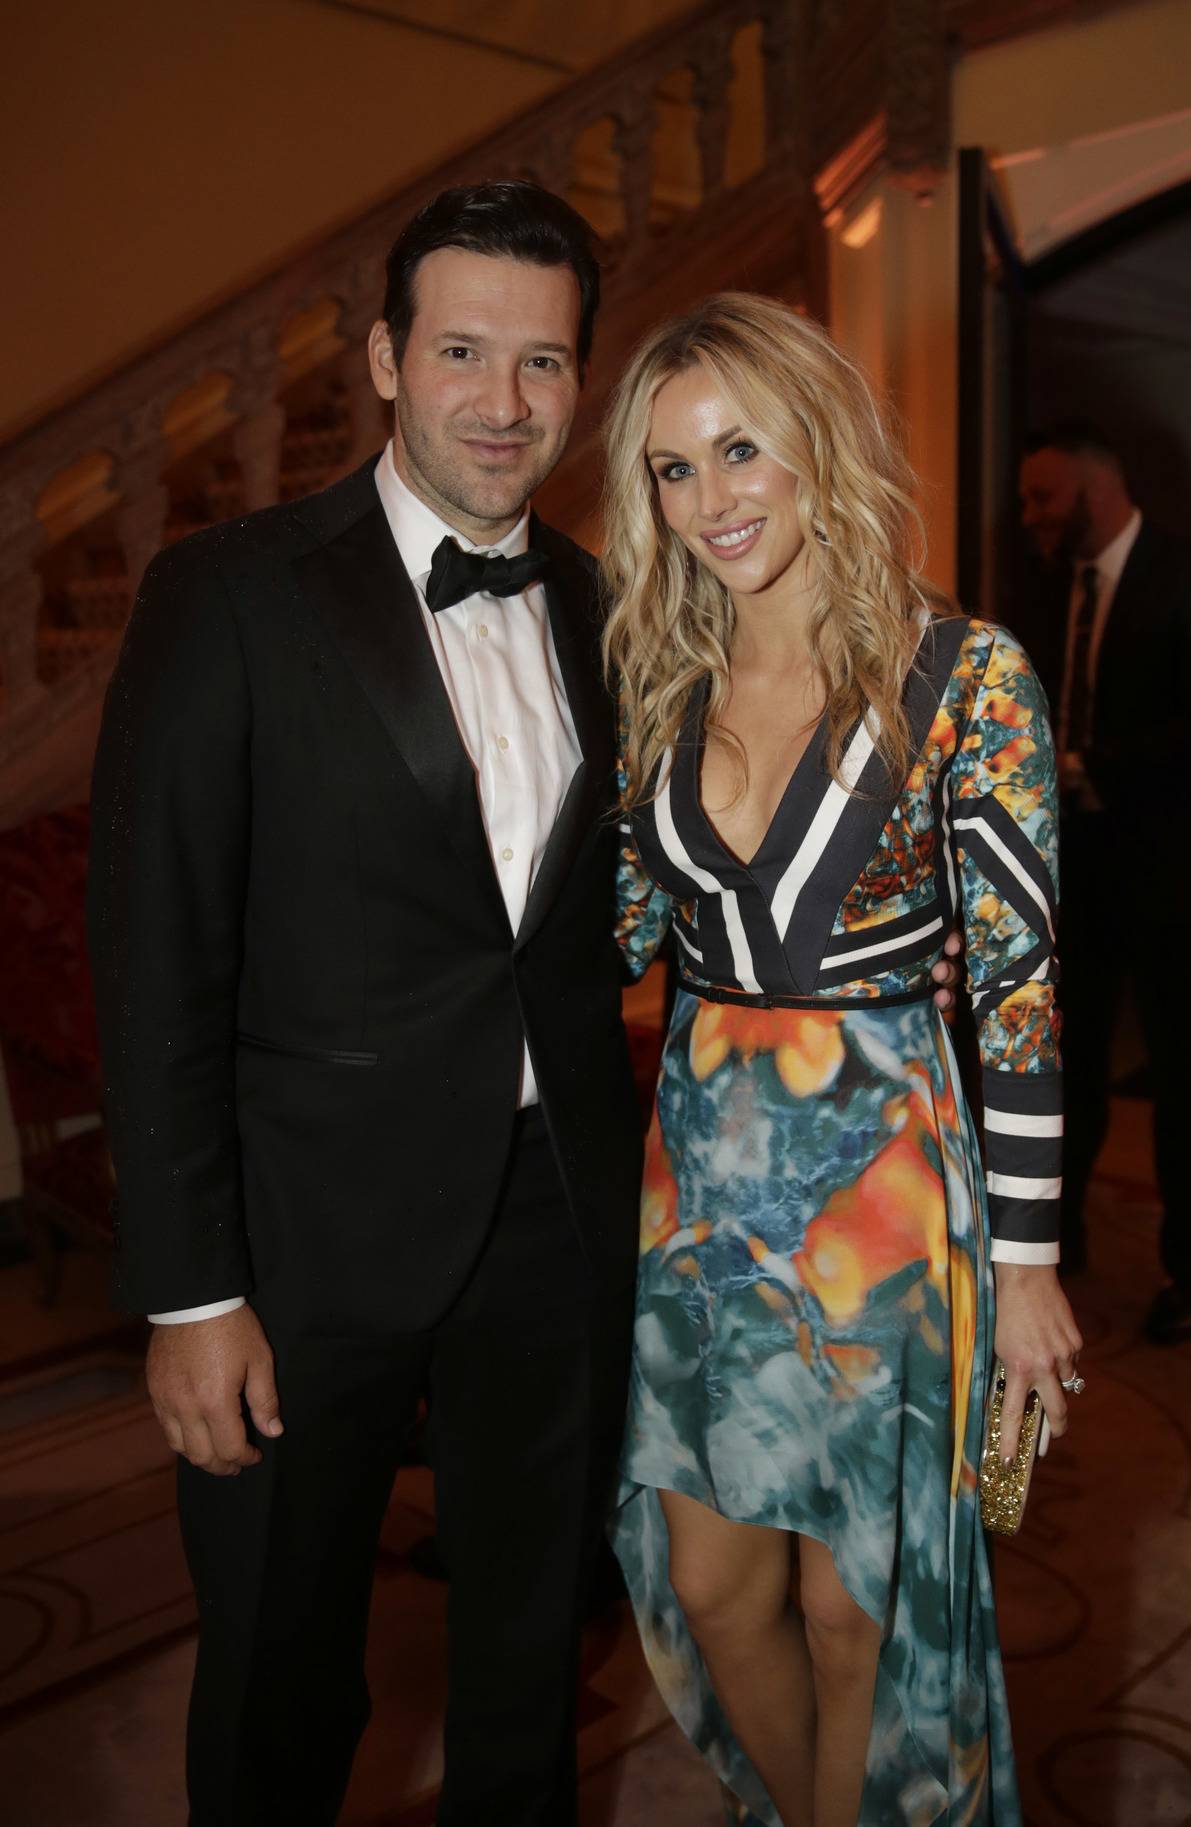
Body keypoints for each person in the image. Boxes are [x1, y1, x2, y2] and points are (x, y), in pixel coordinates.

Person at [87, 180, 645, 1827]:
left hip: (553, 1215)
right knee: (283, 1665)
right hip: (302, 1238)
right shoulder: (235, 592)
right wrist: (187, 1294)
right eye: (464, 350)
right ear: (387, 358)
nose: (505, 402)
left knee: (533, 1645)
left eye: (544, 363)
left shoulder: (612, 612)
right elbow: (154, 953)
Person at [603, 295, 1082, 1827]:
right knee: (710, 1578)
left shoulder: (965, 679)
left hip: (882, 1197)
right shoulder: (658, 685)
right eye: (673, 469)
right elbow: (608, 936)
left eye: (741, 447)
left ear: (819, 440)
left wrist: (1027, 1266)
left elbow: (1017, 988)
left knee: (850, 1605)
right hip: (699, 1208)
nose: (711, 499)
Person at [1018, 425, 1191, 1341]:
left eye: (1045, 497)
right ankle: (1062, 1234)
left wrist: (1089, 764)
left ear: (1098, 481)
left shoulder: (1183, 573)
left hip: (1174, 876)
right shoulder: (1049, 589)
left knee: (1182, 1073)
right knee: (1067, 1058)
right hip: (1074, 873)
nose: (1032, 518)